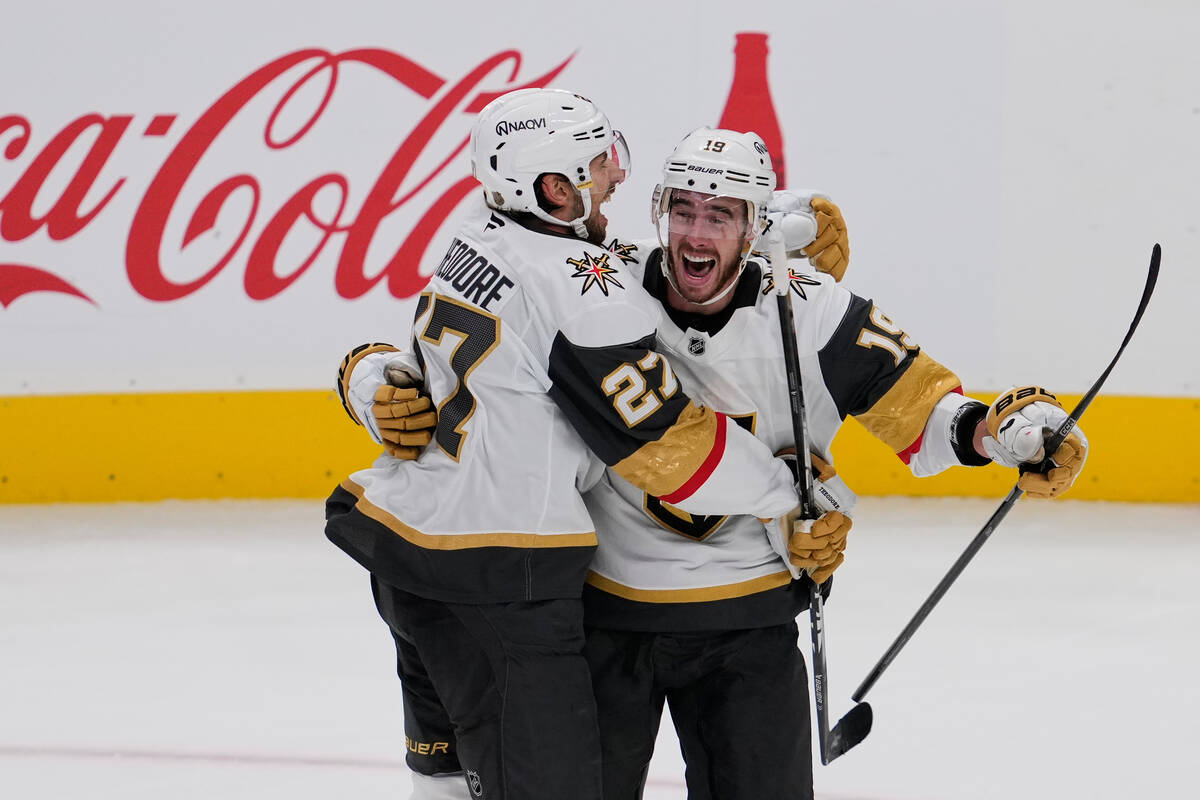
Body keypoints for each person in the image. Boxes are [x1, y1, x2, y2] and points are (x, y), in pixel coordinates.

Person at [324, 91, 832, 800]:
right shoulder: (583, 295)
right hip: (501, 585)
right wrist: (792, 500)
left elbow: (451, 346)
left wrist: (365, 373)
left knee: (442, 779)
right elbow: (670, 449)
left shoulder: (475, 225)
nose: (616, 177)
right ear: (554, 189)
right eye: (599, 164)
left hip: (404, 558)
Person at [574, 127, 1090, 799]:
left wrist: (1002, 434)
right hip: (606, 614)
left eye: (721, 215)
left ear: (756, 226)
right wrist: (387, 367)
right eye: (683, 210)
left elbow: (920, 407)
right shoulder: (599, 282)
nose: (695, 235)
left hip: (747, 622)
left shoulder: (811, 307)